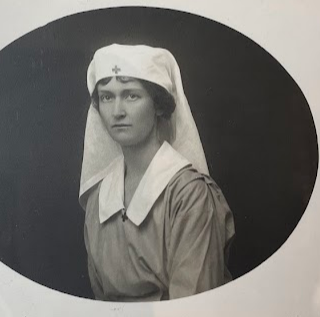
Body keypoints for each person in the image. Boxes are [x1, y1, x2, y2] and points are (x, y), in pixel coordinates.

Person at [79, 44, 235, 301]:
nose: (117, 111)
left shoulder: (189, 195)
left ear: (159, 106)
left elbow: (194, 306)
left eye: (131, 96)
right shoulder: (99, 198)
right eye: (107, 96)